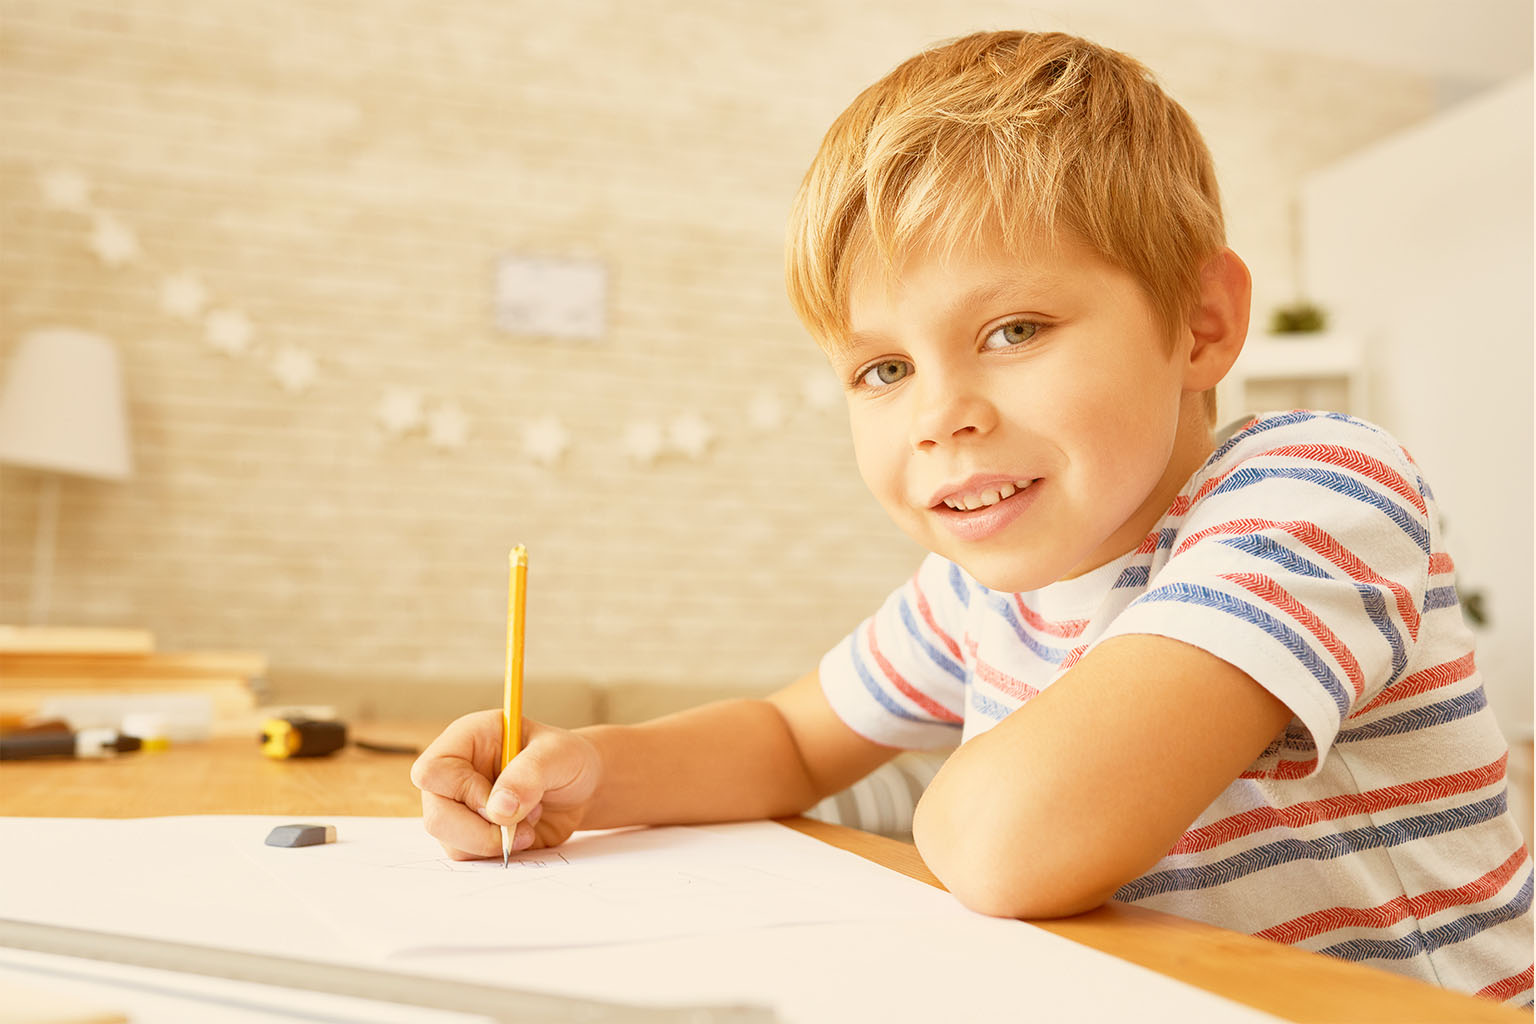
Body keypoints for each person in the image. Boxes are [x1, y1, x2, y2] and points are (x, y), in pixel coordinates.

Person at [411, 30, 1532, 1004]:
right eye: (884, 367)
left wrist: (947, 799)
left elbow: (1008, 844)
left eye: (1013, 330)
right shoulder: (981, 586)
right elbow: (794, 740)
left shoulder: (1316, 488)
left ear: (1198, 325)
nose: (941, 417)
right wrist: (585, 772)